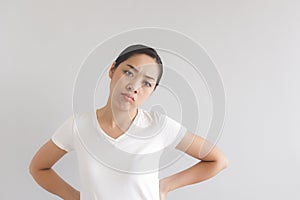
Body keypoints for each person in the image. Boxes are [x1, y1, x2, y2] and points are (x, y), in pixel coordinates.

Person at [29, 44, 228, 200]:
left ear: (152, 91)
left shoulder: (158, 126)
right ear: (112, 70)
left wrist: (166, 186)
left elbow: (217, 160)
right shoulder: (78, 126)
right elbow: (38, 168)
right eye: (129, 73)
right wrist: (75, 197)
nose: (134, 86)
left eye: (147, 83)